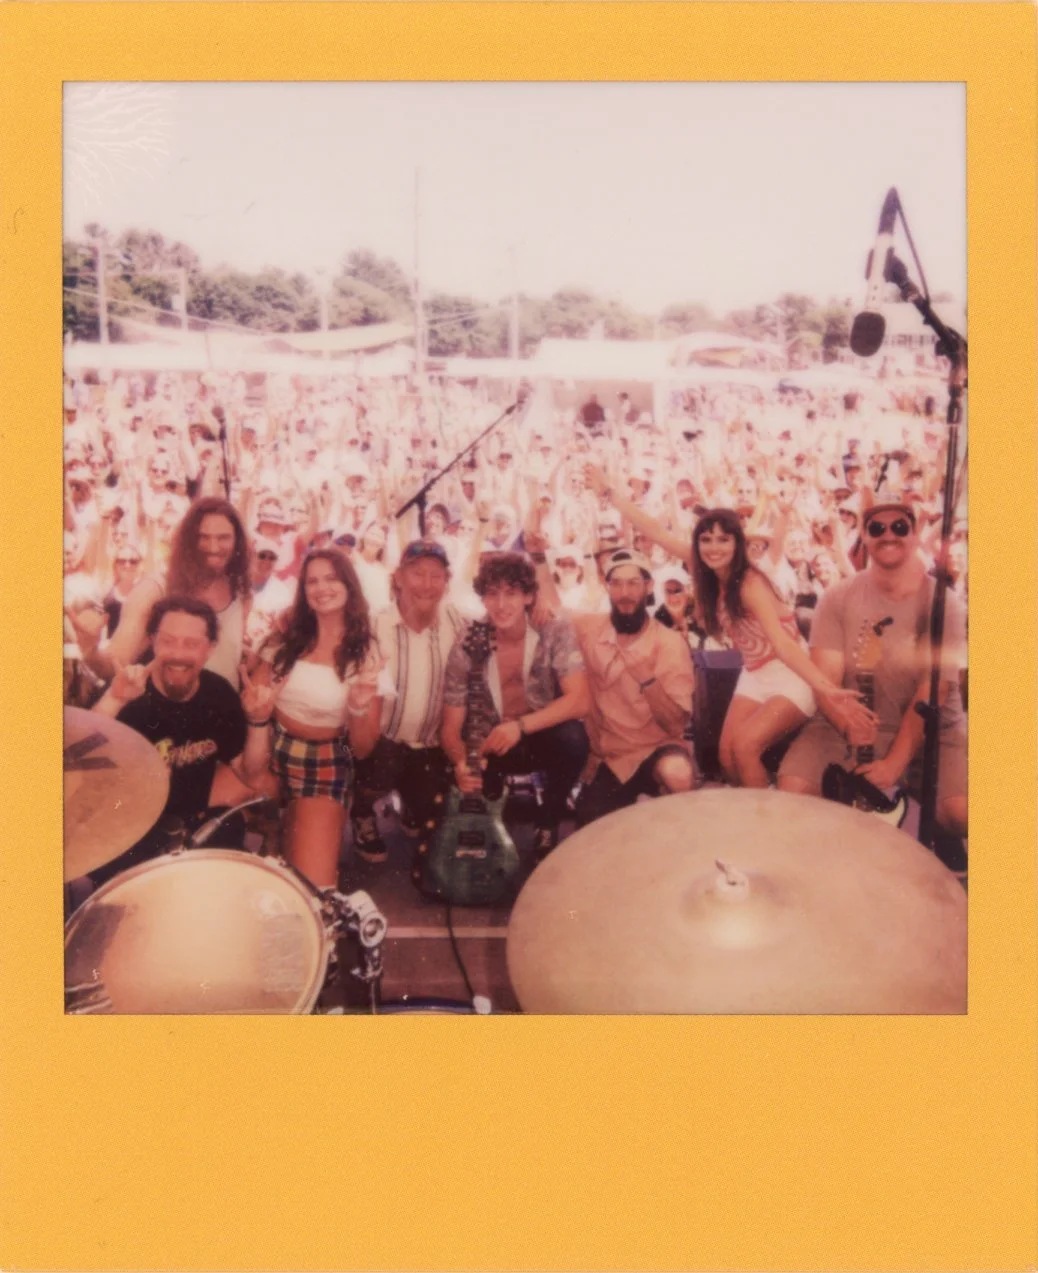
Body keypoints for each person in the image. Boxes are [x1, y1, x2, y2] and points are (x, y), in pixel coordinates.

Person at [777, 501, 968, 840]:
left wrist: (895, 763)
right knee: (792, 792)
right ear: (863, 537)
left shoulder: (944, 603)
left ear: (914, 534)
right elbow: (826, 681)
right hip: (853, 724)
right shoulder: (837, 596)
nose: (888, 535)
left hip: (932, 728)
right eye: (877, 528)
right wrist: (846, 722)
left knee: (963, 813)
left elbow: (932, 690)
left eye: (899, 527)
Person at [86, 595, 278, 888]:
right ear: (152, 641)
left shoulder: (219, 694)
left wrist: (258, 722)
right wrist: (114, 700)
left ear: (210, 647)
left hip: (197, 829)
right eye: (168, 641)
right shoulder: (126, 690)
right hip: (127, 837)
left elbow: (250, 774)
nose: (178, 653)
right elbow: (75, 764)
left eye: (192, 643)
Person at [691, 509, 863, 789]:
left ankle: (770, 825)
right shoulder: (710, 574)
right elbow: (657, 532)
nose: (713, 547)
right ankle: (757, 807)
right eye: (706, 539)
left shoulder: (750, 583)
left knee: (745, 747)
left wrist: (825, 688)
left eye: (723, 539)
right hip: (755, 674)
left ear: (737, 543)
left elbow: (783, 645)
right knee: (726, 755)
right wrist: (610, 493)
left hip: (791, 674)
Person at [442, 553, 590, 857]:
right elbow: (450, 728)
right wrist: (460, 762)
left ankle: (547, 822)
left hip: (537, 733)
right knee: (482, 812)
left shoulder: (553, 628)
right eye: (492, 593)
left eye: (511, 593)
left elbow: (579, 700)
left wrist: (519, 727)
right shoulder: (467, 642)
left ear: (528, 596)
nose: (501, 604)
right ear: (482, 598)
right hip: (490, 743)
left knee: (573, 739)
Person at [254, 549, 382, 888]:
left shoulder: (366, 651)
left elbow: (364, 747)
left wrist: (357, 706)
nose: (321, 587)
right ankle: (272, 828)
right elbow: (254, 699)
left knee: (312, 889)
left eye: (331, 578)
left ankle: (289, 833)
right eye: (312, 580)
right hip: (266, 755)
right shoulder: (284, 638)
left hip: (324, 766)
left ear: (349, 586)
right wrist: (255, 706)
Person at [350, 539, 466, 864]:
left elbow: (508, 620)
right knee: (378, 763)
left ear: (446, 582)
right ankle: (361, 811)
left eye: (436, 576)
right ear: (398, 577)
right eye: (417, 574)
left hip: (429, 748)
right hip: (377, 746)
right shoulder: (372, 626)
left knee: (433, 810)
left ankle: (411, 802)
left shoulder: (459, 624)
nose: (426, 585)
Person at [67, 496, 252, 690]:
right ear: (189, 540)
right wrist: (91, 650)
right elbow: (115, 664)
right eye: (203, 537)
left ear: (237, 541)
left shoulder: (241, 591)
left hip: (225, 712)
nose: (213, 548)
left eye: (223, 538)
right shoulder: (156, 589)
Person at [571, 549, 697, 826]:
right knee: (591, 830)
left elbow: (676, 725)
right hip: (612, 757)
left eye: (633, 583)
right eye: (616, 584)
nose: (624, 593)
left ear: (649, 586)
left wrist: (648, 681)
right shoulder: (590, 628)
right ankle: (644, 808)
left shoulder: (669, 643)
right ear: (607, 588)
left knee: (677, 773)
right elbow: (547, 608)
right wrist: (539, 557)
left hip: (656, 748)